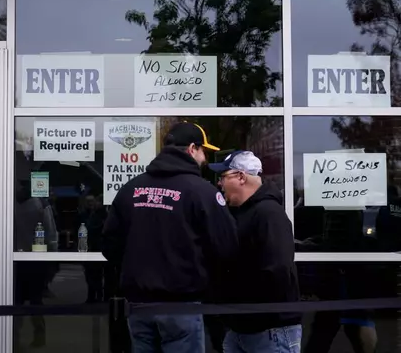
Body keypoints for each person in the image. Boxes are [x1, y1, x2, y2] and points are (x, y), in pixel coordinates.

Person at [102, 122, 239, 353]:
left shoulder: (131, 189)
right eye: (203, 151)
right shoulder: (202, 192)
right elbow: (226, 248)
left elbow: (109, 245)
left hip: (139, 306)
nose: (204, 159)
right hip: (182, 305)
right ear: (191, 149)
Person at [208, 150, 301, 353]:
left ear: (241, 177)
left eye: (223, 177)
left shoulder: (269, 214)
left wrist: (236, 297)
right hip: (240, 327)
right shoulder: (238, 213)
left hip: (270, 330)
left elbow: (278, 270)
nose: (219, 184)